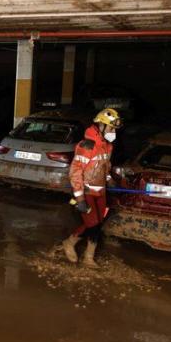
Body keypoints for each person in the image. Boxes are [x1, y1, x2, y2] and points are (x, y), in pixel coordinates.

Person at [62, 108, 122, 267]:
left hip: (100, 191)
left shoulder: (107, 146)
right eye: (111, 128)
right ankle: (88, 258)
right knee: (93, 225)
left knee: (96, 223)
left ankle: (70, 242)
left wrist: (109, 179)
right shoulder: (87, 146)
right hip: (86, 191)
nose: (113, 131)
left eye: (114, 129)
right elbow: (75, 172)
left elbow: (104, 167)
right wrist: (79, 198)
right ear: (100, 125)